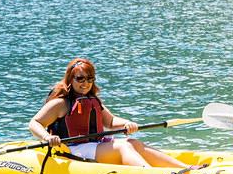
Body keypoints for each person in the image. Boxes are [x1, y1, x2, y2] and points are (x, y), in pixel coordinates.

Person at [28, 58, 188, 168]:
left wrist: (126, 124)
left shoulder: (93, 100)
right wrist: (47, 137)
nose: (86, 83)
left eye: (90, 79)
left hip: (95, 145)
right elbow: (35, 123)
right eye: (80, 79)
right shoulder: (61, 103)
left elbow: (110, 122)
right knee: (122, 147)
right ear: (71, 79)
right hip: (74, 149)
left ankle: (187, 169)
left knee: (133, 143)